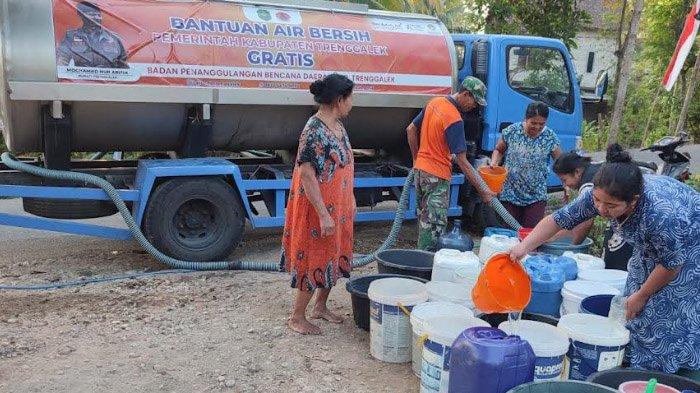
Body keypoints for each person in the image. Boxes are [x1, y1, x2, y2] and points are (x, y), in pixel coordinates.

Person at [509, 144, 700, 376]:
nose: (601, 209)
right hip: (654, 245)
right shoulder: (602, 194)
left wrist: (642, 295)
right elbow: (559, 219)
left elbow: (672, 264)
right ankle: (632, 356)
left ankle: (662, 370)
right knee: (631, 302)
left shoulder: (661, 215)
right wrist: (524, 247)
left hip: (689, 249)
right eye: (598, 201)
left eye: (610, 206)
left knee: (664, 309)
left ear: (633, 201)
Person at [279, 74, 356, 335]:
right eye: (350, 98)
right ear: (338, 100)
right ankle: (297, 317)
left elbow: (346, 164)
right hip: (319, 208)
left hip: (341, 206)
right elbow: (307, 174)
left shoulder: (338, 126)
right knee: (315, 256)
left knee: (335, 253)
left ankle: (320, 307)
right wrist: (323, 214)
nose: (352, 103)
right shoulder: (314, 130)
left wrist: (352, 199)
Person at [406, 76, 495, 251]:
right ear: (465, 94)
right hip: (437, 178)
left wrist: (416, 159)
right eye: (474, 101)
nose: (474, 106)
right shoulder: (454, 118)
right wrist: (483, 191)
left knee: (425, 223)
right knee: (433, 229)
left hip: (421, 173)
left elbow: (411, 129)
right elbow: (463, 161)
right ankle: (426, 269)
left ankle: (420, 261)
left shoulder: (435, 102)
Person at [553, 151, 633, 270]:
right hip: (628, 213)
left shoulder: (589, 184)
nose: (565, 185)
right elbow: (565, 220)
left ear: (577, 172)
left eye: (564, 180)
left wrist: (571, 251)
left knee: (616, 262)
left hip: (631, 218)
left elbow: (585, 223)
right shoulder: (594, 168)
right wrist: (555, 236)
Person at [491, 102, 562, 228]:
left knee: (530, 236)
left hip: (536, 195)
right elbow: (499, 150)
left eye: (542, 124)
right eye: (533, 123)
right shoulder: (512, 131)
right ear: (526, 118)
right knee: (509, 234)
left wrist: (566, 182)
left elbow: (560, 161)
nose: (537, 127)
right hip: (509, 193)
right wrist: (494, 164)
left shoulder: (549, 136)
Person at [57, 1, 129, 68]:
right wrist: (63, 76)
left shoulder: (113, 38)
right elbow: (63, 59)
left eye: (98, 14)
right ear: (82, 16)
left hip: (109, 79)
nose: (97, 17)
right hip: (81, 78)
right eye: (92, 15)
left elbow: (122, 63)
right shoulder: (72, 36)